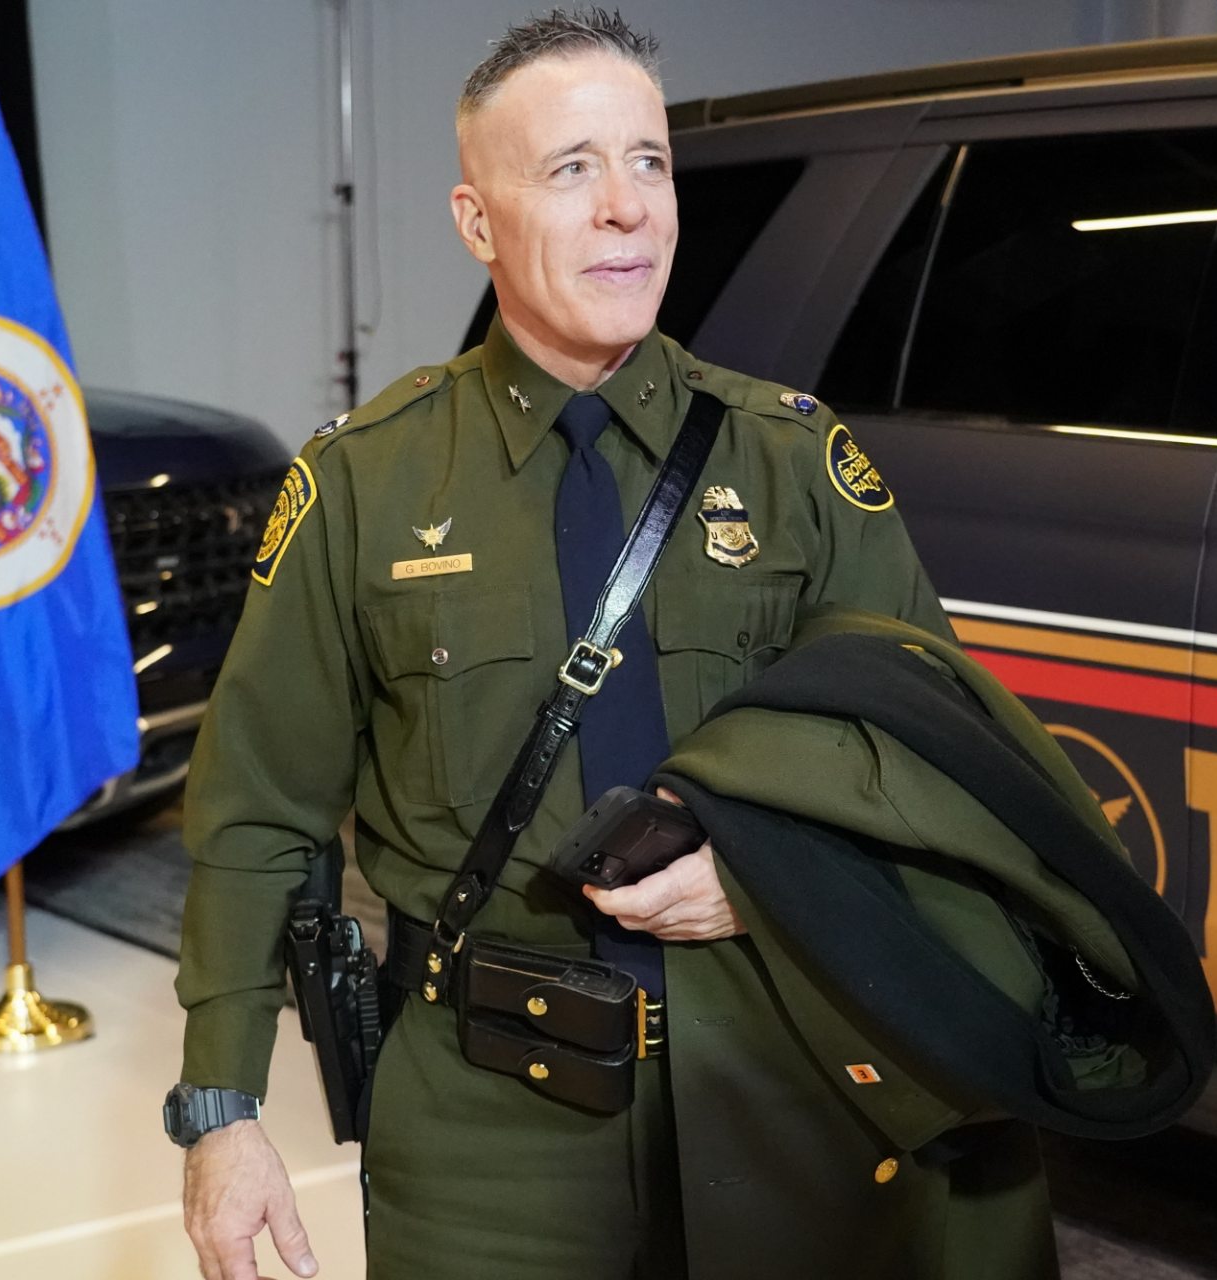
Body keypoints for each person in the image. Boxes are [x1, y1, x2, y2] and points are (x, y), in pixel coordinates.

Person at [168, 10, 959, 1280]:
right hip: (485, 1129)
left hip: (776, 1079)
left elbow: (926, 751)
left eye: (648, 161)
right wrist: (223, 1107)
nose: (626, 207)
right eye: (571, 168)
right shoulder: (367, 484)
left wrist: (775, 873)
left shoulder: (794, 461)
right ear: (477, 222)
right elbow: (259, 811)